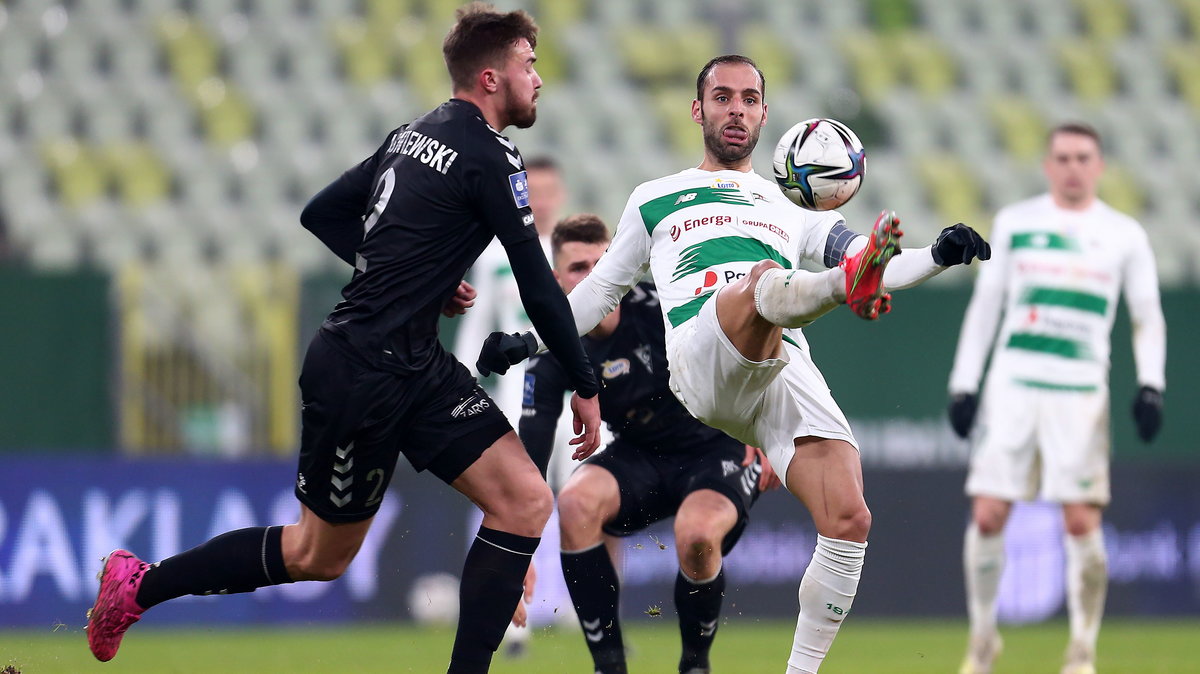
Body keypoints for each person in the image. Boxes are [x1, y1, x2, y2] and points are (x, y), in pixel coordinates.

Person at [85, 5, 602, 673]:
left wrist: (415, 277)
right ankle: (139, 585)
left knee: (525, 501)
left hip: (415, 362)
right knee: (316, 556)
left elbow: (322, 213)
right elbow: (539, 287)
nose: (539, 79)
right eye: (529, 65)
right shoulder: (489, 153)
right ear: (490, 77)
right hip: (360, 371)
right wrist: (584, 385)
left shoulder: (408, 135)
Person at [476, 54, 990, 673]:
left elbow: (877, 261)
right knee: (765, 282)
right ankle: (832, 289)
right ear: (698, 110)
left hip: (781, 367)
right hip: (700, 353)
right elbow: (598, 293)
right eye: (722, 98)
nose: (736, 110)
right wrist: (531, 341)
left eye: (749, 99)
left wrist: (937, 253)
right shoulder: (655, 199)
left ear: (765, 114)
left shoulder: (789, 207)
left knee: (849, 515)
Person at [947, 122, 1166, 674]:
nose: (1073, 167)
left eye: (1083, 157)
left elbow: (1146, 315)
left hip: (1081, 389)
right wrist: (964, 382)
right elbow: (986, 308)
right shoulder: (1017, 223)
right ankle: (982, 641)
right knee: (990, 513)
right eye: (1063, 157)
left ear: (1100, 166)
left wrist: (1151, 384)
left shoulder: (1125, 234)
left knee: (1079, 522)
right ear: (1048, 165)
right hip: (1014, 383)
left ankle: (1082, 650)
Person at [520, 213, 781, 674]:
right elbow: (531, 456)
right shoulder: (553, 342)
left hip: (716, 449)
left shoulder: (662, 309)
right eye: (578, 269)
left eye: (600, 266)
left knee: (696, 536)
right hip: (640, 454)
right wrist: (518, 545)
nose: (591, 279)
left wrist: (770, 431)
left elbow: (751, 342)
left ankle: (694, 665)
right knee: (576, 503)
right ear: (557, 279)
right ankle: (610, 665)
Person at [451, 155, 574, 655]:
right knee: (506, 502)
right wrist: (461, 385)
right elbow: (474, 333)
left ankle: (573, 610)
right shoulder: (496, 252)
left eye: (548, 191)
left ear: (560, 195)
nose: (540, 200)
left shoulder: (575, 253)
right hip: (511, 396)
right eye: (532, 191)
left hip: (568, 397)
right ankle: (504, 620)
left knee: (580, 501)